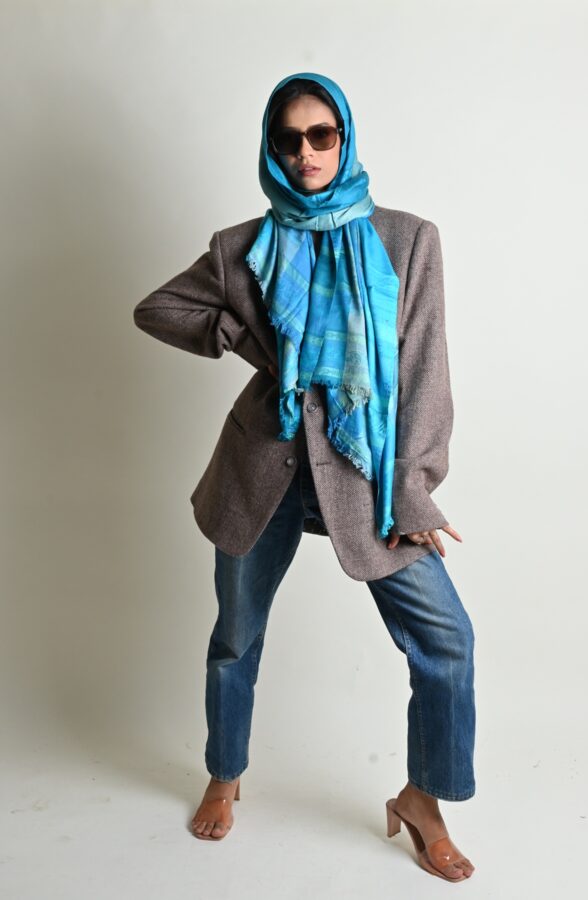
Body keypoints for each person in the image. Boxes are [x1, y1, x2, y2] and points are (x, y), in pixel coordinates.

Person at [133, 72, 476, 881]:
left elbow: (424, 372)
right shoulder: (242, 247)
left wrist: (414, 489)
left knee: (447, 638)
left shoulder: (406, 239)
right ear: (272, 149)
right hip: (264, 466)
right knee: (236, 637)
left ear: (344, 139)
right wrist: (239, 333)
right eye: (288, 140)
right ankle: (225, 774)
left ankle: (422, 799)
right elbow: (157, 308)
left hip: (366, 474)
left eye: (322, 135)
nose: (306, 153)